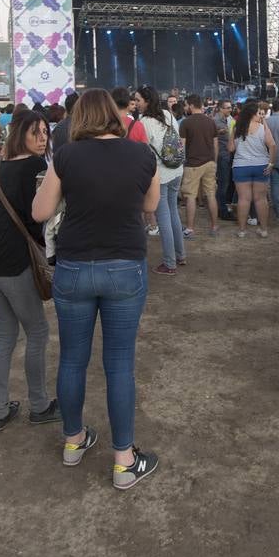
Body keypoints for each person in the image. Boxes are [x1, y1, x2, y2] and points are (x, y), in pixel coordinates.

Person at [31, 88, 162, 490]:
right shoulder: (142, 154)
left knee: (72, 358)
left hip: (74, 266)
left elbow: (40, 211)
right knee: (119, 363)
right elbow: (150, 205)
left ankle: (73, 441)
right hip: (124, 264)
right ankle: (124, 461)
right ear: (114, 115)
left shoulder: (66, 156)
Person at [0, 110, 58, 432]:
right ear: (21, 134)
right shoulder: (35, 167)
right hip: (13, 266)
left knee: (5, 334)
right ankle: (40, 405)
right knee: (37, 332)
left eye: (45, 132)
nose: (42, 138)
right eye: (36, 133)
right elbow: (40, 217)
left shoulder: (0, 164)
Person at [135, 85, 186, 275]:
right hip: (176, 169)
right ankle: (180, 255)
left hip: (160, 175)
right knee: (173, 212)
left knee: (163, 217)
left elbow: (143, 151)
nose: (136, 104)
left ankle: (170, 263)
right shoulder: (167, 114)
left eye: (138, 100)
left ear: (147, 101)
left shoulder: (143, 122)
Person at [229, 100, 275, 238]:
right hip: (261, 165)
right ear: (253, 114)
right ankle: (264, 229)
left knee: (243, 199)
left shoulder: (237, 128)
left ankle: (242, 230)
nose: (260, 115)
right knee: (261, 199)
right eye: (258, 113)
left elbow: (230, 148)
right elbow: (272, 145)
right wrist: (271, 163)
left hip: (241, 166)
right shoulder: (262, 128)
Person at [178, 94, 220, 237]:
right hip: (210, 162)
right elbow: (215, 145)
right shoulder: (211, 122)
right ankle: (214, 227)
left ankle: (190, 229)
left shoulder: (186, 123)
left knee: (190, 196)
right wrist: (214, 161)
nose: (185, 108)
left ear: (191, 105)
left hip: (193, 164)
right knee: (211, 195)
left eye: (186, 105)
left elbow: (182, 146)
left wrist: (181, 163)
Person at [212, 98, 234, 220]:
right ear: (221, 108)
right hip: (221, 156)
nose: (230, 109)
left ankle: (222, 207)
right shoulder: (215, 121)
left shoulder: (228, 120)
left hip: (227, 155)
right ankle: (221, 210)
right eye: (228, 107)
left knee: (225, 183)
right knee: (223, 184)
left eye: (231, 107)